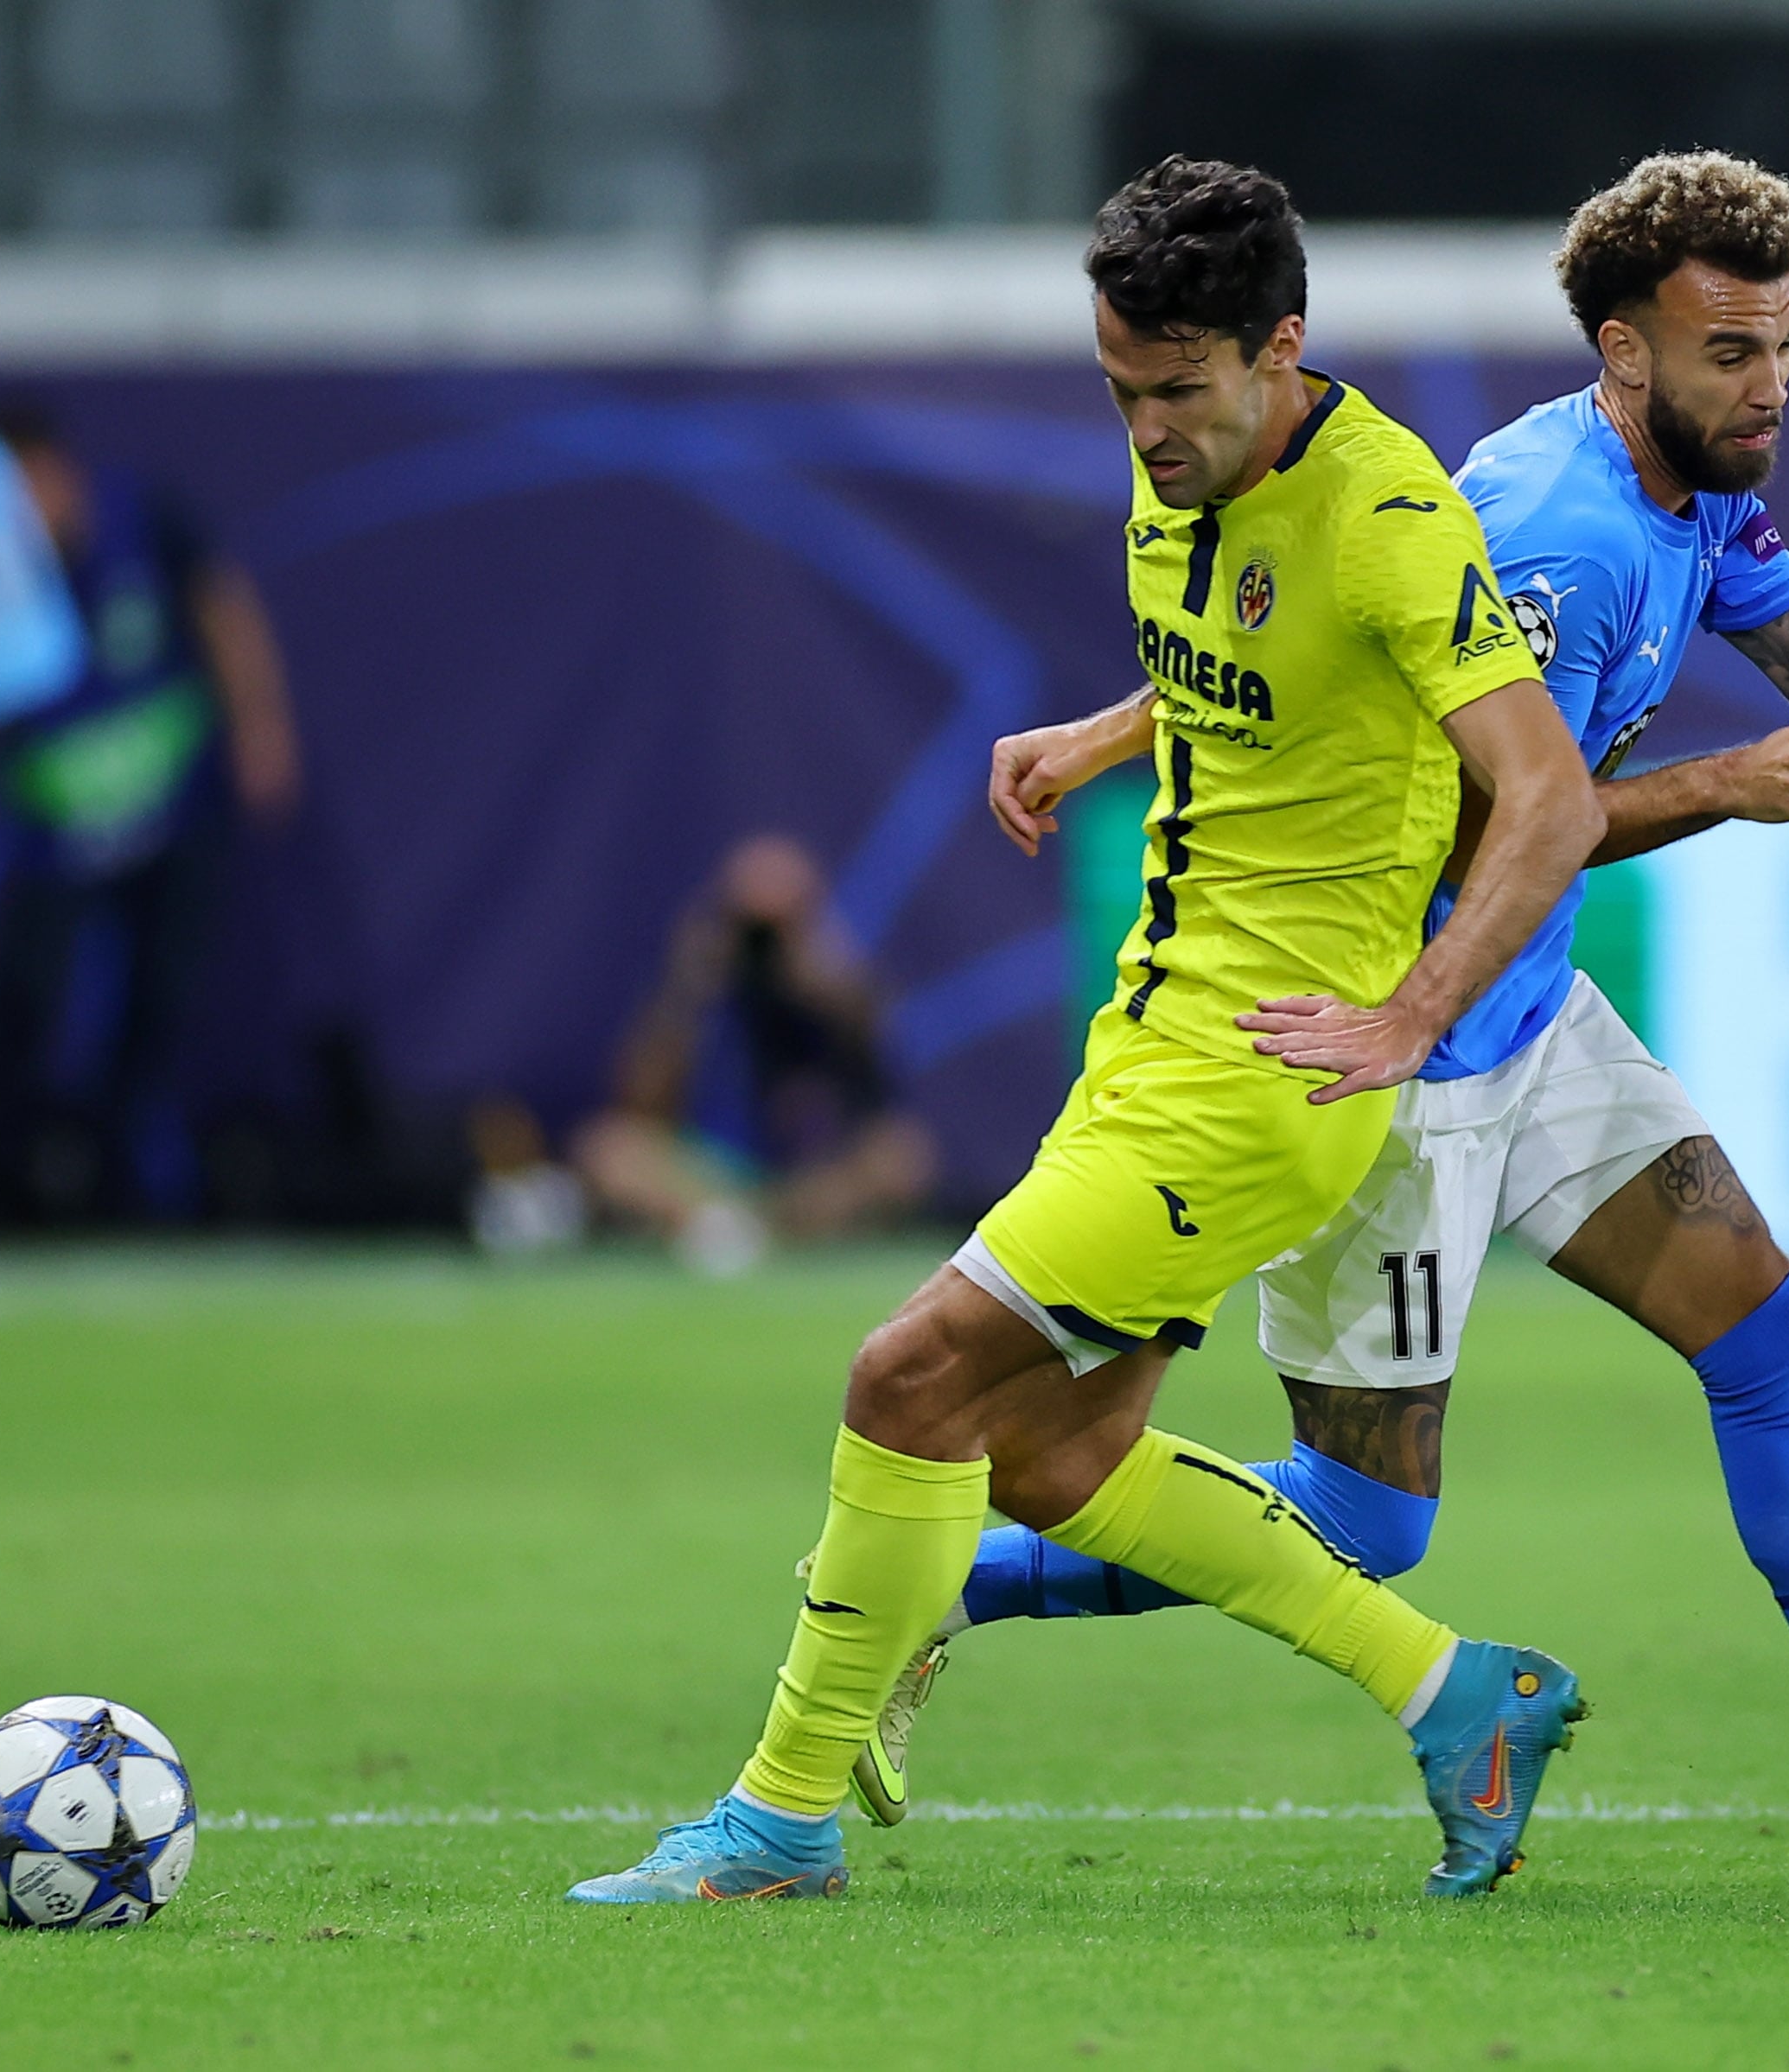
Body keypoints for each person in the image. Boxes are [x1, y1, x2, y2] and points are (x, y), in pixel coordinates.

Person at [864, 152, 1789, 1891]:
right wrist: (1719, 783)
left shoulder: (1694, 486)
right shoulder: (1549, 529)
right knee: (1360, 1521)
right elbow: (1492, 817)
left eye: (1782, 344)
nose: (1767, 384)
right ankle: (933, 1583)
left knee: (1768, 1337)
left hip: (1530, 1011)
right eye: (1731, 352)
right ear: (1625, 355)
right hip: (1392, 1042)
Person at [569, 156, 1601, 1906]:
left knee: (902, 1375)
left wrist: (1409, 1011)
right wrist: (1102, 733)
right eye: (1118, 388)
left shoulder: (1385, 512)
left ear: (1281, 349)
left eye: (1178, 390)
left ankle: (777, 1817)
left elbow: (1549, 796)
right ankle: (1454, 1692)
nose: (1144, 428)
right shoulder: (1187, 465)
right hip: (1151, 1028)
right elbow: (1270, 671)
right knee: (1051, 1458)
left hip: (1257, 1075)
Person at [0, 399, 301, 1221]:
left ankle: (140, 1183)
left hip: (172, 813)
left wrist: (259, 720)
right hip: (61, 833)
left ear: (54, 471)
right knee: (27, 996)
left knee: (159, 1004)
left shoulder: (146, 520)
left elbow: (221, 605)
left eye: (19, 493)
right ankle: (4, 1182)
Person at [574, 834, 935, 1274]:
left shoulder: (833, 993)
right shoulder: (702, 991)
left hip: (800, 1180)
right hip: (706, 1173)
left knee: (900, 1157)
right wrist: (689, 988)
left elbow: (878, 1096)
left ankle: (757, 1232)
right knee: (608, 1149)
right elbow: (640, 1101)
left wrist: (823, 986)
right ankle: (722, 1226)